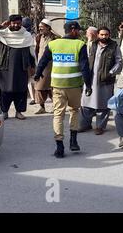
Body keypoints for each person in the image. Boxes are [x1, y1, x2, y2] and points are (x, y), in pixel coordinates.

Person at [34, 21, 92, 158]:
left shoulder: (53, 44)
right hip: (74, 86)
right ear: (72, 30)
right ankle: (73, 141)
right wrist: (88, 85)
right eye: (78, 30)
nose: (79, 32)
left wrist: (38, 73)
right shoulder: (80, 45)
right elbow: (84, 67)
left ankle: (59, 147)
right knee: (74, 111)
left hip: (58, 86)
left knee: (58, 115)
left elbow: (42, 61)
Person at [0, 14, 36, 120]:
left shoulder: (26, 35)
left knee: (21, 90)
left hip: (21, 68)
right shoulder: (3, 34)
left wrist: (32, 66)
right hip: (5, 68)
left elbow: (30, 52)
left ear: (21, 23)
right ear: (9, 23)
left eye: (18, 23)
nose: (16, 25)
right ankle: (4, 112)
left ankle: (19, 112)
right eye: (14, 23)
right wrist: (0, 26)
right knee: (4, 91)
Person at [79, 27, 123, 135]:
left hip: (105, 80)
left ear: (109, 35)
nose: (104, 37)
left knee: (103, 104)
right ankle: (85, 124)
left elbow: (119, 61)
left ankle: (100, 126)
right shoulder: (92, 45)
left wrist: (111, 72)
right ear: (98, 35)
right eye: (102, 34)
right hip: (90, 79)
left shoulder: (114, 47)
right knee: (86, 103)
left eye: (106, 35)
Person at [34, 18, 60, 114]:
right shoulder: (39, 37)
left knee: (52, 87)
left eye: (42, 27)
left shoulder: (55, 38)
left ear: (48, 28)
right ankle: (42, 107)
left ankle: (55, 107)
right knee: (39, 87)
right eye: (39, 27)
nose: (40, 29)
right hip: (41, 65)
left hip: (52, 65)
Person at [22, 17, 37, 106]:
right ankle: (33, 98)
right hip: (27, 58)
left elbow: (34, 48)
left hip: (31, 58)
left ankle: (35, 97)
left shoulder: (32, 35)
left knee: (32, 78)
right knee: (29, 80)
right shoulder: (24, 34)